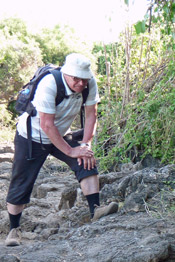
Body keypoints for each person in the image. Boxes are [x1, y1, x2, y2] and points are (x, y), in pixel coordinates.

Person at [5, 53, 118, 247]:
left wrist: (85, 145)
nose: (81, 83)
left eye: (84, 79)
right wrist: (71, 151)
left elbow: (91, 115)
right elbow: (47, 125)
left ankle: (95, 209)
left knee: (86, 159)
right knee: (21, 182)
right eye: (76, 79)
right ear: (66, 74)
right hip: (32, 137)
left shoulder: (89, 84)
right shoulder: (49, 84)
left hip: (62, 133)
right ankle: (14, 230)